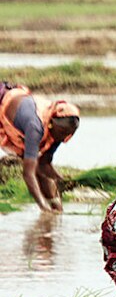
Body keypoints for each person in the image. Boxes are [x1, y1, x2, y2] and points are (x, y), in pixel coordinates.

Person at [0, 83, 79, 212]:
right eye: (62, 133)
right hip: (4, 105)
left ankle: (56, 208)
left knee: (41, 172)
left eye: (68, 134)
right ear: (52, 125)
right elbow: (28, 173)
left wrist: (64, 181)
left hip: (20, 109)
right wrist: (42, 205)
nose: (64, 138)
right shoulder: (35, 127)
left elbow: (44, 164)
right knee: (33, 166)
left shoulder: (60, 131)